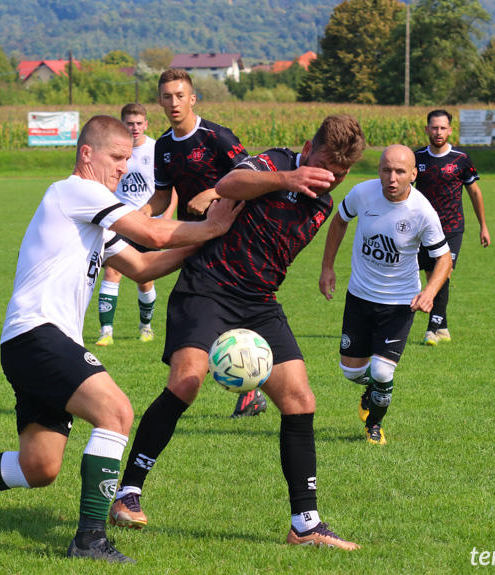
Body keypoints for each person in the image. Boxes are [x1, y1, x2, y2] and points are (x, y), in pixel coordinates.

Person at [0, 115, 242, 564]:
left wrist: (206, 243)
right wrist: (214, 227)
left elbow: (145, 265)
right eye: (117, 158)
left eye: (128, 159)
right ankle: (89, 539)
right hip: (38, 334)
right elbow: (153, 232)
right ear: (87, 154)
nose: (123, 168)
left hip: (33, 343)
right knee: (116, 412)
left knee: (39, 466)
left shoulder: (93, 217)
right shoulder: (75, 191)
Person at [110, 115, 366, 552]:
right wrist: (287, 176)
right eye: (322, 167)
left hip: (259, 301)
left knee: (300, 399)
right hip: (208, 285)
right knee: (187, 380)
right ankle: (127, 492)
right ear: (307, 147)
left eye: (338, 175)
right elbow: (227, 186)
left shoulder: (324, 198)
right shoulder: (279, 162)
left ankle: (305, 524)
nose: (327, 180)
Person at [144, 67, 267, 418]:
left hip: (231, 239)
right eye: (167, 97)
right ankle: (248, 388)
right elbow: (161, 196)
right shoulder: (164, 146)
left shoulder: (216, 136)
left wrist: (212, 192)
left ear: (192, 98)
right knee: (208, 311)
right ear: (160, 101)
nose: (173, 103)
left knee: (203, 310)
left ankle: (244, 386)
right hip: (194, 239)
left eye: (180, 95)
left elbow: (252, 174)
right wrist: (134, 216)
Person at [319, 145, 452, 445]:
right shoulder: (362, 194)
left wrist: (430, 291)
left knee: (380, 369)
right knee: (350, 373)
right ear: (378, 170)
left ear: (413, 175)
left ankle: (374, 425)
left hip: (399, 303)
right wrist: (327, 267)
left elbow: (444, 258)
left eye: (400, 171)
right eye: (386, 170)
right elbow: (339, 220)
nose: (391, 178)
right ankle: (376, 389)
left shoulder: (422, 212)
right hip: (359, 297)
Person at [95, 103, 177, 347]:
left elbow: (170, 187)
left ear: (146, 125)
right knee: (112, 271)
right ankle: (106, 331)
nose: (134, 128)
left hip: (148, 224)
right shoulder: (113, 150)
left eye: (139, 123)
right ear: (122, 125)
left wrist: (167, 216)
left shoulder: (156, 149)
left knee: (145, 278)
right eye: (129, 123)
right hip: (119, 221)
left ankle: (146, 327)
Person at [413, 110, 491, 345]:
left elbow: (475, 192)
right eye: (434, 128)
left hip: (452, 227)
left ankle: (432, 328)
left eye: (443, 128)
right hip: (425, 228)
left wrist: (483, 226)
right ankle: (443, 327)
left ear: (450, 130)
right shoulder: (416, 158)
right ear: (426, 129)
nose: (438, 132)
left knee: (444, 273)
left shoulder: (461, 159)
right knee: (432, 276)